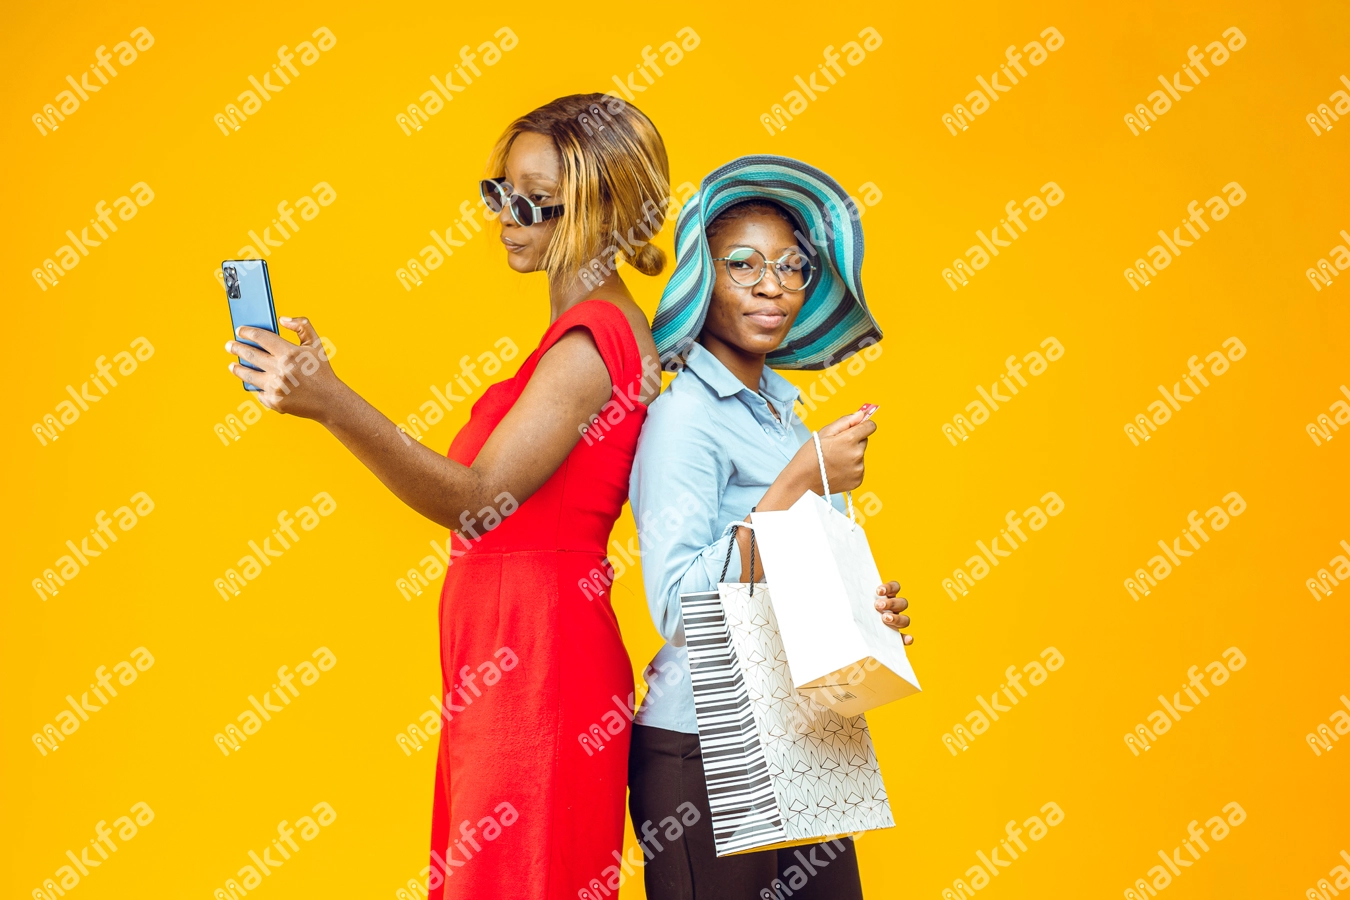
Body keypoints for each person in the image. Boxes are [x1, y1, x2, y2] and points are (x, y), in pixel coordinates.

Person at [224, 93, 671, 900]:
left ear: (605, 206)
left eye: (534, 197)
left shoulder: (589, 343)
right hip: (509, 653)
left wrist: (334, 403)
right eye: (498, 192)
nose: (507, 215)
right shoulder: (580, 334)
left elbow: (479, 501)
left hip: (540, 659)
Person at [627, 155, 911, 900]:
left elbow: (790, 570)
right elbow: (676, 605)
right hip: (704, 742)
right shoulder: (682, 418)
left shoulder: (783, 416)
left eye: (792, 267)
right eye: (743, 265)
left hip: (803, 726)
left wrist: (866, 615)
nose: (772, 287)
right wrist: (795, 483)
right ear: (700, 278)